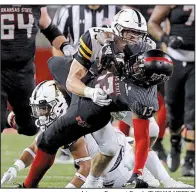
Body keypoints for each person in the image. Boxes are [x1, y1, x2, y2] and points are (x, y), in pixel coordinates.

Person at [1, 81, 192, 188]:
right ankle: (163, 179)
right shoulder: (56, 122)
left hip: (116, 168)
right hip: (112, 161)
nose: (40, 114)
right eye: (39, 109)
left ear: (57, 105)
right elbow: (37, 146)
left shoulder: (69, 124)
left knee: (136, 143)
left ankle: (164, 180)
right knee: (133, 143)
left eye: (43, 109)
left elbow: (85, 167)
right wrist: (16, 167)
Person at [52, 5, 121, 161]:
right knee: (72, 109)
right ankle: (70, 144)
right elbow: (57, 42)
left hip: (105, 71)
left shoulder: (115, 9)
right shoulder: (67, 11)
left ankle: (106, 146)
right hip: (77, 67)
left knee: (102, 111)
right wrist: (62, 72)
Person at [1, 5, 73, 136]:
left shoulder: (35, 5)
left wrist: (65, 45)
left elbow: (50, 29)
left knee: (31, 126)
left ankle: (8, 118)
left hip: (23, 71)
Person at [148, 5, 195, 176]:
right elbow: (152, 23)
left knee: (193, 111)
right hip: (175, 59)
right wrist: (167, 39)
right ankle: (175, 141)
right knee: (173, 112)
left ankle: (190, 158)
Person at [52, 5, 121, 56]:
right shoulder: (68, 12)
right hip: (77, 65)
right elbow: (57, 43)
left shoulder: (117, 12)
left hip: (109, 68)